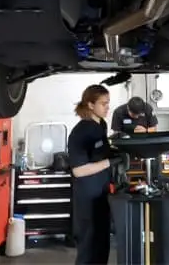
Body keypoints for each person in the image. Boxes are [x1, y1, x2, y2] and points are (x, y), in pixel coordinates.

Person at [67, 84, 129, 265]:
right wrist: (110, 162)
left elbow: (101, 152)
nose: (107, 107)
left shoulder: (100, 125)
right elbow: (79, 171)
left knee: (102, 244)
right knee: (88, 247)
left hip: (101, 195)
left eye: (108, 103)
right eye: (103, 103)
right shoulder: (80, 132)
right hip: (87, 198)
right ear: (90, 105)